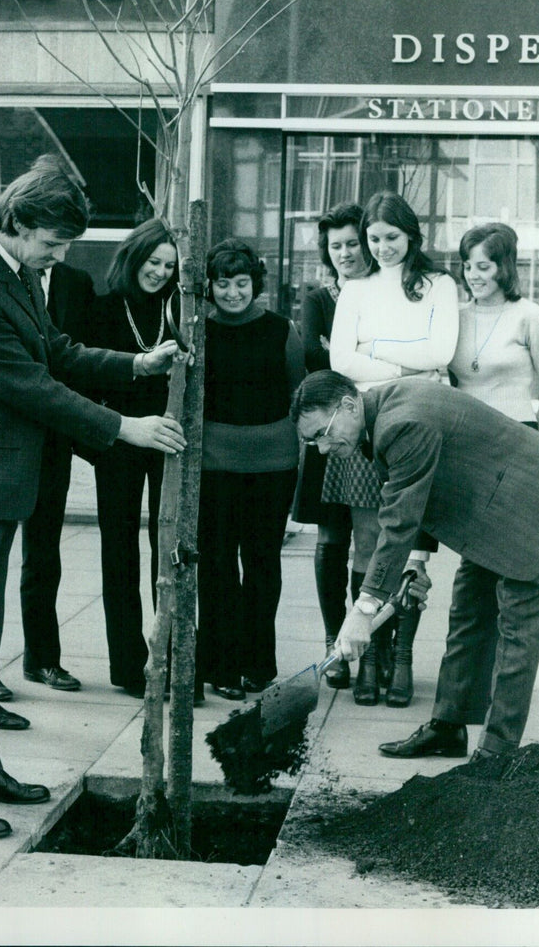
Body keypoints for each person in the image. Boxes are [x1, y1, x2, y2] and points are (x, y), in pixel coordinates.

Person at [0, 155, 186, 840]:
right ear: (22, 222)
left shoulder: (14, 270)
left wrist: (134, 363)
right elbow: (31, 387)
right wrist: (125, 425)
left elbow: (55, 349)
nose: (59, 255)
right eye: (55, 242)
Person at [291, 370, 539, 773]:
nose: (321, 448)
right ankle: (447, 727)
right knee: (466, 618)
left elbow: (400, 519)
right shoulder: (383, 412)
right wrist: (412, 565)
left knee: (516, 634)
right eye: (311, 440)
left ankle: (496, 753)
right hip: (487, 507)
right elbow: (412, 494)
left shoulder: (401, 421)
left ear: (349, 405)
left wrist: (364, 609)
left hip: (527, 505)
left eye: (322, 432)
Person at [328, 191, 459, 707]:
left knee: (413, 548)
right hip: (369, 426)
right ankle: (371, 660)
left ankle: (401, 658)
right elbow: (342, 359)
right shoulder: (355, 289)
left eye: (391, 237)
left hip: (424, 424)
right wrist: (409, 369)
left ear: (412, 235)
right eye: (373, 238)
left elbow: (443, 351)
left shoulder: (439, 285)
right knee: (368, 541)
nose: (381, 248)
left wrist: (374, 350)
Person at [196, 238, 305, 701]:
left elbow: (299, 394)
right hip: (215, 465)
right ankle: (221, 666)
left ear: (255, 284)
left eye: (242, 283)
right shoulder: (198, 330)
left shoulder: (284, 330)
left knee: (262, 565)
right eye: (223, 283)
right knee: (217, 565)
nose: (233, 293)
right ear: (211, 286)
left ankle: (258, 663)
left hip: (273, 465)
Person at [85, 219, 178, 697]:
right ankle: (128, 664)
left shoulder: (180, 309)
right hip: (120, 440)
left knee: (170, 550)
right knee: (117, 551)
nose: (160, 272)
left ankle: (173, 657)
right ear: (133, 258)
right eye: (153, 262)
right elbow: (81, 375)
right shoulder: (101, 309)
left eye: (169, 265)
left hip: (170, 439)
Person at [293, 203, 367, 690]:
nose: (344, 253)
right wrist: (361, 355)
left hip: (369, 428)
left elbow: (333, 356)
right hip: (331, 428)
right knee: (331, 540)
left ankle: (366, 646)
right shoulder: (319, 297)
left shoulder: (386, 292)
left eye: (352, 244)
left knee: (374, 544)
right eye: (335, 246)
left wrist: (341, 353)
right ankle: (331, 645)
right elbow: (312, 359)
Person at [16, 261, 96, 692]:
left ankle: (42, 658)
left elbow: (74, 354)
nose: (59, 248)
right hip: (2, 437)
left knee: (43, 554)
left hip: (52, 441)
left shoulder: (75, 281)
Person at [450, 222, 539, 438]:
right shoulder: (455, 316)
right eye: (467, 267)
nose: (472, 275)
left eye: (483, 267)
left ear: (504, 268)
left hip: (516, 435)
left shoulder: (529, 315)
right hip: (463, 436)